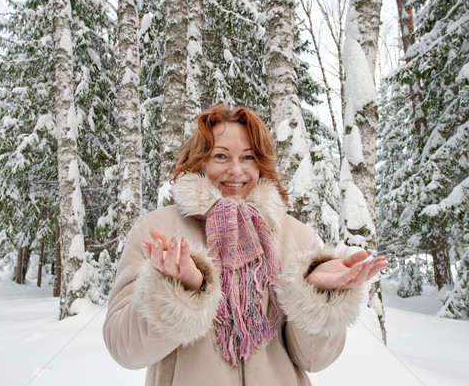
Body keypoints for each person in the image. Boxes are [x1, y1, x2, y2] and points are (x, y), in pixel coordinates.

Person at [103, 104, 387, 385]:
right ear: (200, 160)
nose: (236, 170)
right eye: (221, 156)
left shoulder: (298, 237)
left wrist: (317, 297)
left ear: (261, 163)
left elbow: (314, 361)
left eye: (248, 157)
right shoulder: (158, 230)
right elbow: (125, 350)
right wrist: (177, 294)